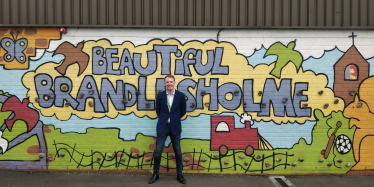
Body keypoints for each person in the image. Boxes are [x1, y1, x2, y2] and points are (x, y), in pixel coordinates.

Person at [148, 75, 187, 184]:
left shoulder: (180, 95)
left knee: (178, 151)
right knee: (158, 151)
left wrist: (175, 118)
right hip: (163, 126)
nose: (169, 84)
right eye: (167, 82)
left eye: (171, 82)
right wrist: (165, 119)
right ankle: (156, 174)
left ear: (174, 82)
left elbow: (183, 111)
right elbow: (158, 111)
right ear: (165, 84)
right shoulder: (160, 96)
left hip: (175, 126)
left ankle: (179, 174)